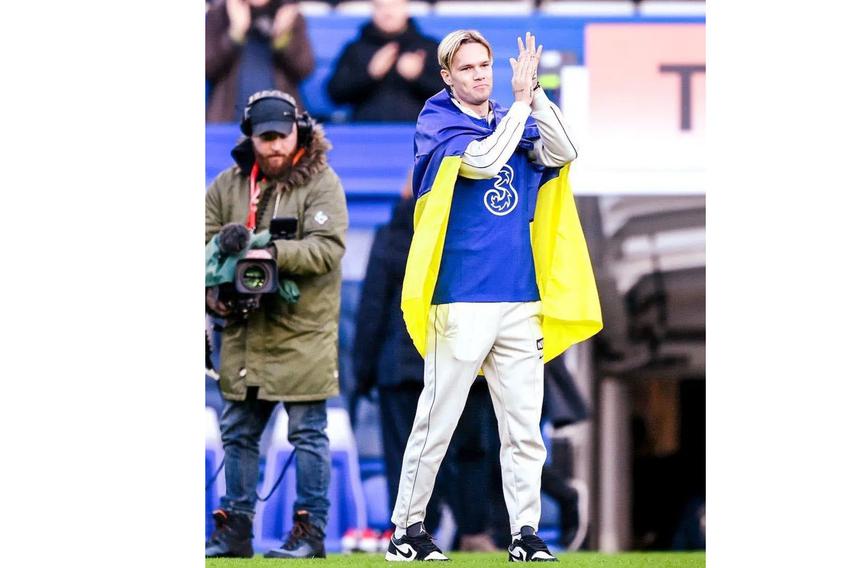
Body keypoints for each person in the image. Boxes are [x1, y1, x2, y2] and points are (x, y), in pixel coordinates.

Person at [385, 30, 602, 562]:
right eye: (467, 68)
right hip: (459, 298)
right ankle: (406, 532)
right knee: (437, 421)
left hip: (520, 298)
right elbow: (481, 161)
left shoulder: (514, 113)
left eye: (485, 66)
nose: (480, 75)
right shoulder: (437, 120)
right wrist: (521, 108)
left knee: (525, 429)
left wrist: (536, 97)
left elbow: (565, 151)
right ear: (447, 77)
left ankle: (525, 534)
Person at [203, 89, 348, 558]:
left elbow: (328, 249)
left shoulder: (322, 183)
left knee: (306, 433)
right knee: (238, 432)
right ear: (250, 136)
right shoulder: (226, 186)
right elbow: (201, 248)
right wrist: (214, 293)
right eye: (264, 139)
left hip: (302, 330)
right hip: (245, 331)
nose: (275, 148)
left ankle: (310, 532)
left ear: (298, 132)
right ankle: (235, 529)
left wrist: (270, 253)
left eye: (281, 137)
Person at [352, 183, 498, 551]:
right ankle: (474, 532)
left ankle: (415, 532)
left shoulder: (393, 235)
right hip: (465, 362)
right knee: (470, 452)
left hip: (403, 369)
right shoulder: (479, 226)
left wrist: (363, 372)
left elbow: (373, 306)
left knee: (408, 454)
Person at [327, 0, 443, 122]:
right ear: (372, 10)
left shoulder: (428, 47)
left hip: (419, 132)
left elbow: (451, 94)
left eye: (394, 6)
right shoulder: (356, 48)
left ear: (406, 9)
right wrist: (369, 75)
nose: (387, 12)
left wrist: (418, 77)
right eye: (380, 6)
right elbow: (335, 94)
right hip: (365, 133)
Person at [206, 0, 315, 122]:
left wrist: (281, 37)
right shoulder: (218, 15)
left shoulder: (287, 13)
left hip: (280, 121)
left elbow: (304, 69)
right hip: (228, 118)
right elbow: (208, 68)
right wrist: (235, 34)